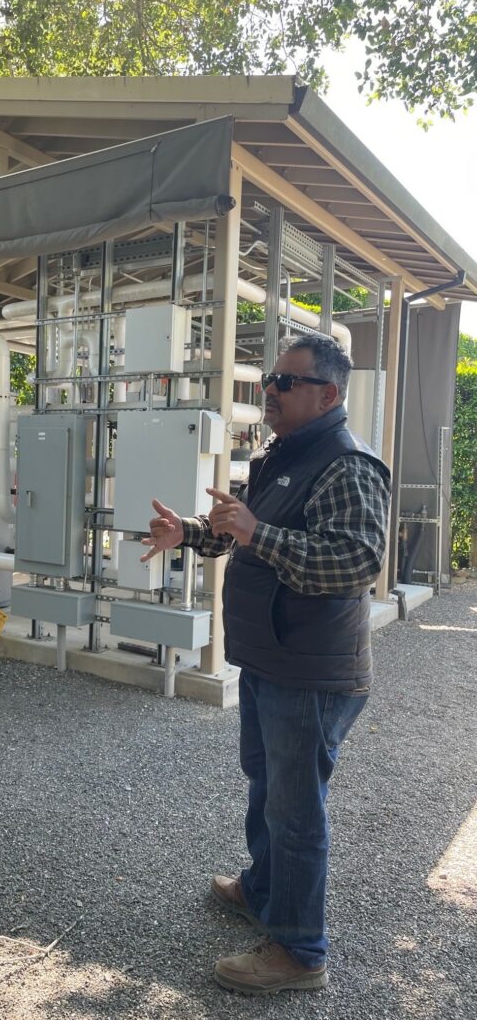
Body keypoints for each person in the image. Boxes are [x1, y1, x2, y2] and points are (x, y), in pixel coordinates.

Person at [141, 334, 391, 996]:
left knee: (297, 809)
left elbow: (354, 563)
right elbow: (242, 528)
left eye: (285, 382)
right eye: (268, 379)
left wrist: (255, 532)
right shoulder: (285, 455)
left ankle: (301, 951)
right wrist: (190, 533)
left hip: (310, 671)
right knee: (267, 786)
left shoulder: (348, 466)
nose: (269, 391)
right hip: (270, 658)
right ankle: (265, 890)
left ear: (328, 395)